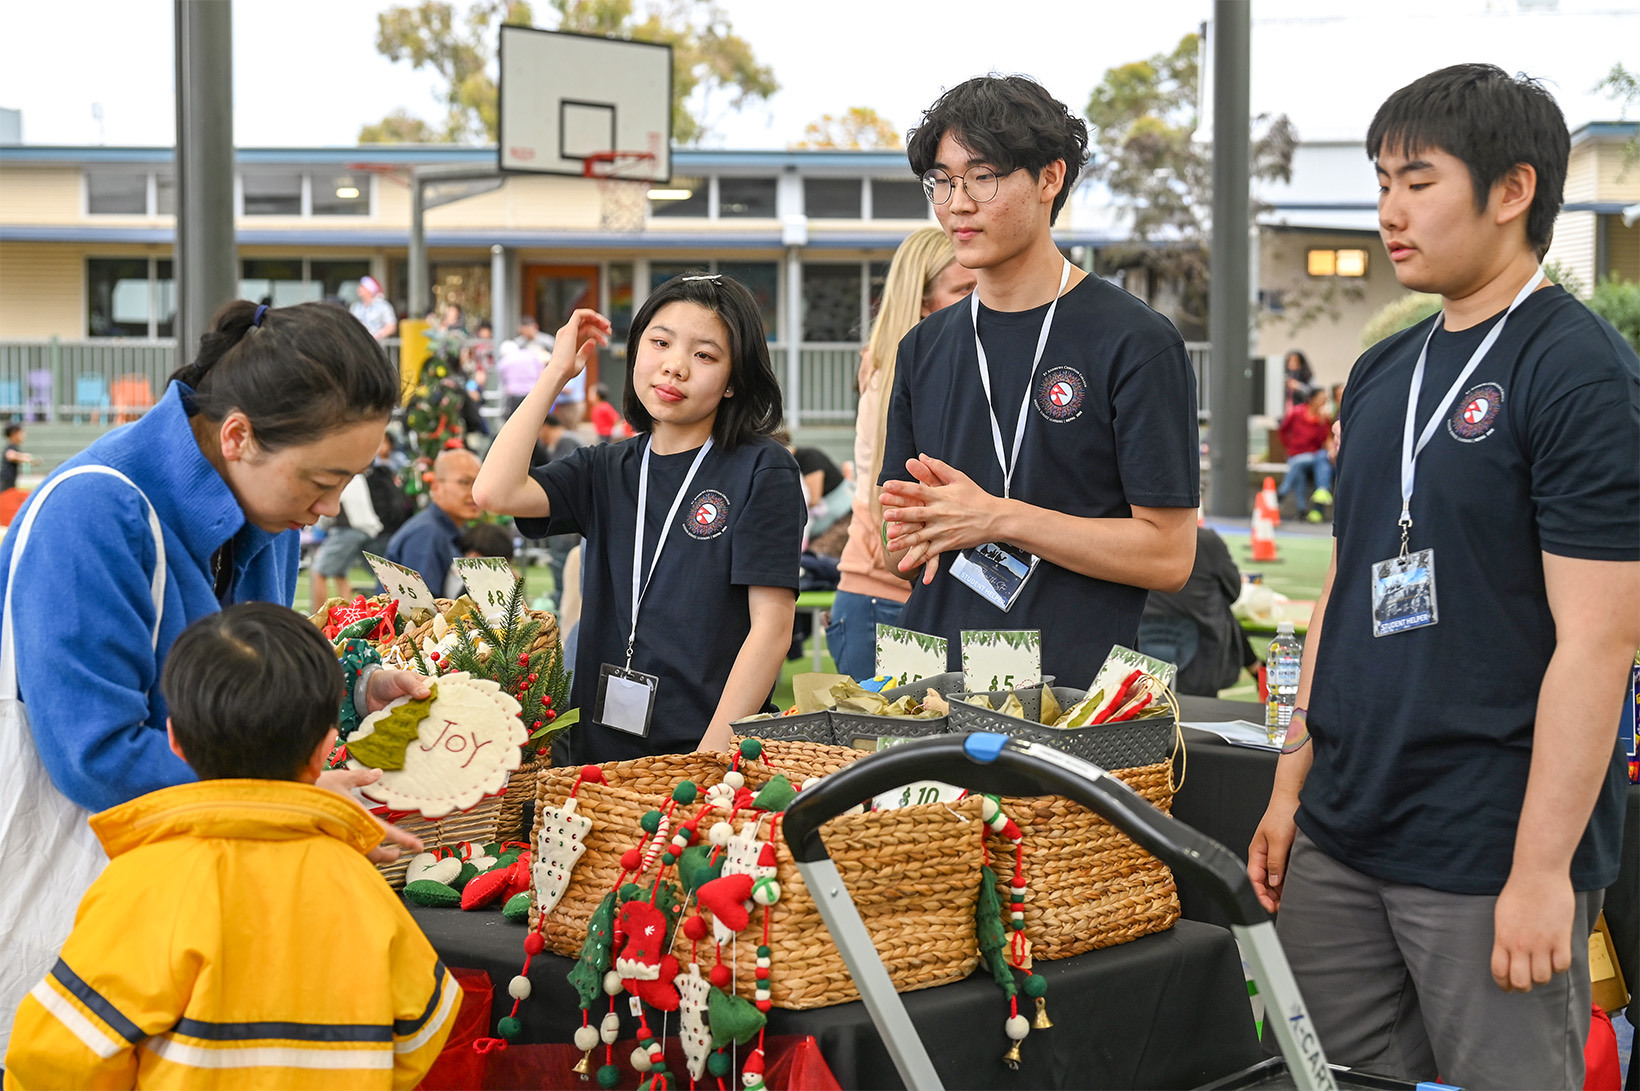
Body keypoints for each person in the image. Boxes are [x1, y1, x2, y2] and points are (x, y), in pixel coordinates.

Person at [1247, 64, 1640, 1090]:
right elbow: (1342, 584)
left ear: (1511, 190)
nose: (1387, 211)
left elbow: (1599, 638)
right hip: (1342, 825)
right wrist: (1289, 779)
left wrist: (1541, 870)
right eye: (1380, 182)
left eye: (1415, 181)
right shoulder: (1384, 367)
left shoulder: (1576, 368)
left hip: (1486, 845)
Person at [0, 300, 429, 1054]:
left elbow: (244, 684)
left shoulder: (263, 507)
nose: (326, 510)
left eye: (348, 482)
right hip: (82, 888)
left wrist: (351, 689)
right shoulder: (93, 510)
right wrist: (284, 797)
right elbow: (93, 753)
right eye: (322, 481)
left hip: (181, 886)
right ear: (237, 436)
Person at [3, 604, 457, 1085]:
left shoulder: (144, 885)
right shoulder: (362, 885)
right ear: (327, 747)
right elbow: (425, 1028)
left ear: (174, 740)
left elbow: (57, 1059)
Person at [878, 76, 1199, 686]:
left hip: (1071, 700)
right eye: (943, 181)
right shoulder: (924, 345)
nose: (958, 203)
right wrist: (919, 532)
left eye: (983, 176)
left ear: (1049, 178)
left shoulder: (1136, 341)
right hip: (924, 691)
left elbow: (1169, 555)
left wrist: (996, 518)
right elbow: (898, 552)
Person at [473, 274, 803, 764]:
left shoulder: (763, 469)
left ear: (734, 380)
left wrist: (708, 762)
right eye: (660, 342)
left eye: (705, 355)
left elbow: (771, 630)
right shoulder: (605, 468)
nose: (674, 367)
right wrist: (556, 373)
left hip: (701, 754)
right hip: (594, 756)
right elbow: (495, 490)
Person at [829, 226, 975, 680]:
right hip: (887, 597)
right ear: (922, 301)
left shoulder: (897, 362)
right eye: (964, 289)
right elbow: (893, 496)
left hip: (891, 594)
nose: (979, 299)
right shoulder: (903, 369)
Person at [1138, 526, 1258, 696]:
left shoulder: (1137, 537)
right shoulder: (1207, 542)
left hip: (1140, 654)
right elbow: (1233, 591)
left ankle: (1256, 666)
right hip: (1202, 660)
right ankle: (1256, 667)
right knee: (1223, 609)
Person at [387, 446, 482, 598]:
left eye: (479, 483)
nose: (476, 492)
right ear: (436, 487)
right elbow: (421, 612)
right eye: (465, 482)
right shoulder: (426, 534)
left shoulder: (452, 530)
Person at [1277, 384, 1335, 522]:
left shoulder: (1323, 418)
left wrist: (1321, 423)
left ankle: (1281, 492)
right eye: (1321, 398)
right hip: (1295, 453)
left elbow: (1323, 439)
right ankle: (1302, 510)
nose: (1324, 402)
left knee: (1297, 463)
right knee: (1299, 472)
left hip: (1312, 456)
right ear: (1313, 399)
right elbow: (1283, 430)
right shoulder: (1297, 412)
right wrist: (1289, 445)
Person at [350, 274, 397, 342]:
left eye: (362, 286)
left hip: (378, 344)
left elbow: (391, 326)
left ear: (370, 289)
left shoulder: (383, 306)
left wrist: (376, 336)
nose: (359, 289)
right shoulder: (356, 306)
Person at [1, 422, 35, 492]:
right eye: (21, 433)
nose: (23, 436)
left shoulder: (15, 447)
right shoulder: (11, 447)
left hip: (9, 483)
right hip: (5, 483)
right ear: (14, 434)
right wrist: (24, 457)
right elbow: (10, 455)